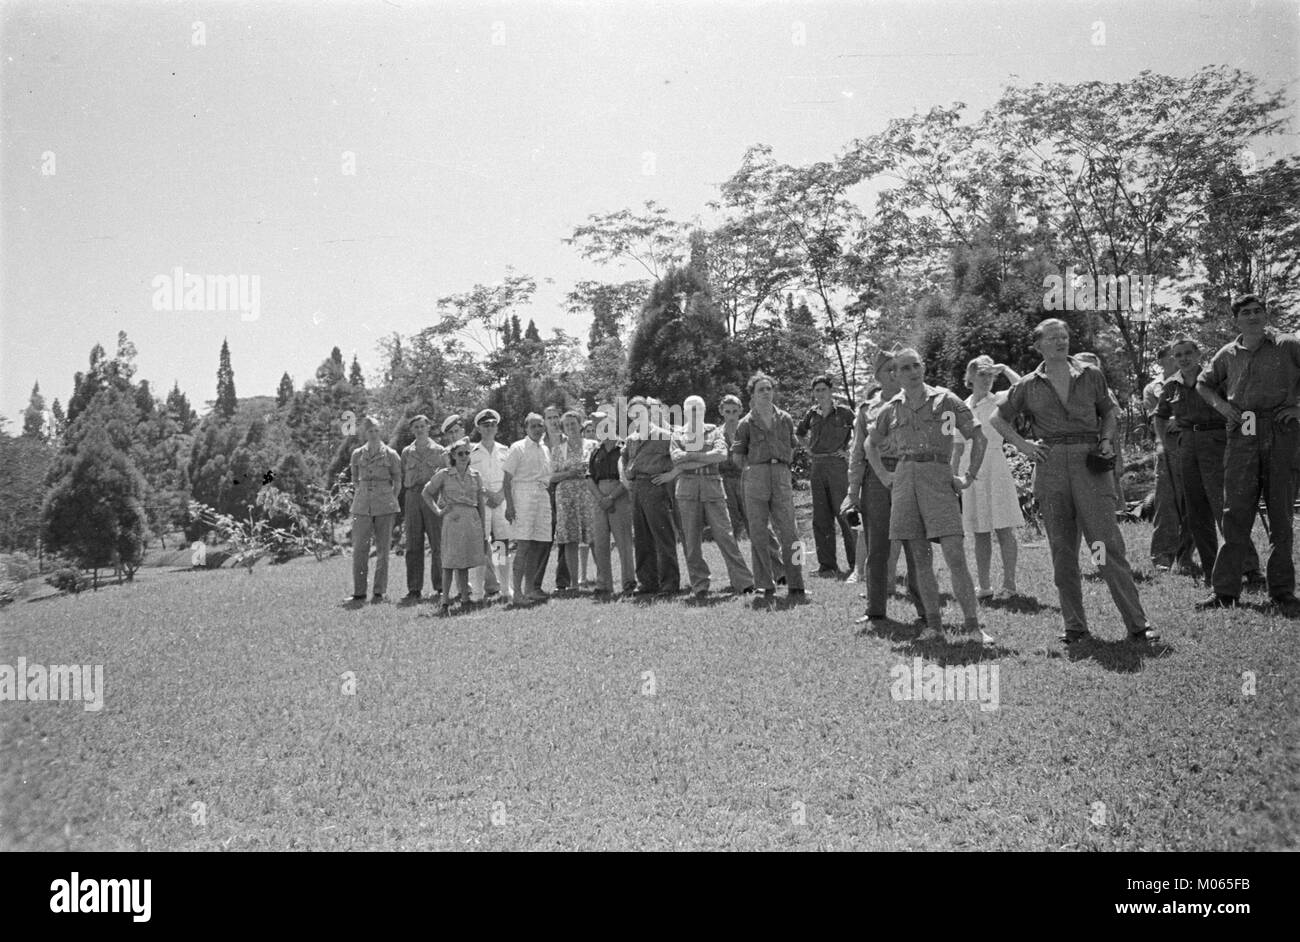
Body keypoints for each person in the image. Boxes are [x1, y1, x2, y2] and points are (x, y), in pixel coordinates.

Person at [989, 318, 1160, 643]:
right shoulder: (1027, 384)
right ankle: (1074, 627)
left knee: (1106, 545)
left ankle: (1138, 624)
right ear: (1038, 345)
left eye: (1064, 336)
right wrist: (1023, 446)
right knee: (1062, 550)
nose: (1061, 341)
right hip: (1051, 466)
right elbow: (998, 418)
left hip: (1089, 463)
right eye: (1053, 337)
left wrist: (1107, 439)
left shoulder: (1090, 374)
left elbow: (1109, 411)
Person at [865, 349, 989, 643]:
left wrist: (968, 476)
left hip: (938, 476)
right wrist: (884, 476)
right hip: (905, 481)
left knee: (955, 554)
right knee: (920, 557)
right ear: (895, 374)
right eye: (904, 368)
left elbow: (978, 436)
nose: (912, 372)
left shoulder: (946, 400)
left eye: (916, 365)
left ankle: (973, 626)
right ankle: (934, 626)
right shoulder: (891, 409)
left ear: (924, 367)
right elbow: (870, 444)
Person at [1194, 295, 1300, 615]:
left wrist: (1298, 407)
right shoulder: (1228, 353)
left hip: (1282, 429)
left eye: (1257, 311)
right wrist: (1224, 407)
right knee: (1235, 511)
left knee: (1280, 514)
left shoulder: (1288, 345)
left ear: (1266, 314)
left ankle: (1282, 591)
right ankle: (1225, 591)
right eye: (1245, 313)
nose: (1252, 317)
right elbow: (1204, 384)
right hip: (1244, 429)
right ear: (1236, 320)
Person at [1155, 337, 1262, 586]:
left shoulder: (1215, 379)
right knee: (1196, 512)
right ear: (1174, 358)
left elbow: (1240, 408)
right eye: (1178, 355)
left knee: (1225, 507)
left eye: (1188, 353)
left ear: (1198, 353)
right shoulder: (1170, 386)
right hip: (1188, 446)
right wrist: (1162, 443)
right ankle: (1211, 571)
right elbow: (1159, 416)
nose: (1184, 358)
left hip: (1218, 442)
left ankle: (1249, 568)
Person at [843, 347, 927, 627]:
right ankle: (875, 609)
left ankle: (926, 610)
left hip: (911, 474)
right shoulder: (867, 410)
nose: (895, 374)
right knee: (876, 547)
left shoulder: (916, 401)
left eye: (898, 368)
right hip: (876, 480)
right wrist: (852, 493)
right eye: (888, 370)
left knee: (916, 546)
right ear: (877, 377)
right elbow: (857, 452)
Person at [952, 356, 1023, 599]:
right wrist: (953, 477)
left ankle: (1009, 585)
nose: (987, 379)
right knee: (979, 529)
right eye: (982, 374)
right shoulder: (961, 405)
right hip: (970, 469)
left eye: (991, 374)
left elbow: (1024, 387)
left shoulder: (1001, 399)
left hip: (995, 464)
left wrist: (1005, 368)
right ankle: (984, 586)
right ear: (970, 377)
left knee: (1003, 526)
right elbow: (957, 444)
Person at [671, 395, 755, 598]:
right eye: (690, 409)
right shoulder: (678, 434)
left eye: (697, 409)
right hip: (688, 491)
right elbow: (677, 461)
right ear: (684, 411)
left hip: (712, 489)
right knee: (691, 542)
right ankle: (699, 585)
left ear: (703, 411)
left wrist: (691, 456)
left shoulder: (713, 431)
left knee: (725, 536)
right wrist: (704, 459)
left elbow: (721, 455)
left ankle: (743, 582)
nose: (694, 413)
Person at [732, 373, 807, 598]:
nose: (766, 392)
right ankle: (765, 584)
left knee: (791, 533)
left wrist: (781, 463)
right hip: (756, 476)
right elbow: (737, 456)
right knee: (758, 532)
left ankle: (797, 582)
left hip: (781, 475)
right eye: (760, 390)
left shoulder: (785, 418)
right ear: (753, 395)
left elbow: (793, 446)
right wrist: (754, 470)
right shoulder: (745, 423)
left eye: (768, 388)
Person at [796, 374, 857, 576]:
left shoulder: (845, 412)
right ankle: (827, 565)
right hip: (818, 465)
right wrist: (808, 449)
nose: (820, 393)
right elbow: (799, 433)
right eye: (817, 390)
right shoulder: (811, 414)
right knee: (821, 517)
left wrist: (848, 450)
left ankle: (856, 562)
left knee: (845, 513)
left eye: (823, 389)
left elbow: (859, 432)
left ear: (831, 391)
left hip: (838, 466)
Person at [719, 393, 784, 578]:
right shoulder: (716, 433)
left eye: (734, 411)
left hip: (748, 479)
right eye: (727, 411)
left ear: (740, 411)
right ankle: (741, 576)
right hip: (724, 482)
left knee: (760, 525)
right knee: (729, 530)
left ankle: (779, 571)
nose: (731, 415)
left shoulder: (748, 428)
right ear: (721, 412)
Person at [622, 396, 682, 596]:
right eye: (633, 414)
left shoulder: (665, 436)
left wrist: (670, 475)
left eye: (640, 411)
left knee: (662, 536)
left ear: (648, 412)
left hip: (656, 487)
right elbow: (624, 460)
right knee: (641, 538)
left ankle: (669, 583)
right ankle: (647, 582)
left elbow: (680, 458)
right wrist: (627, 479)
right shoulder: (631, 439)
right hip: (637, 488)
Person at [1143, 346, 1195, 571]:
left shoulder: (1194, 380)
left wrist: (1182, 419)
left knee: (1192, 504)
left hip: (1192, 446)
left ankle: (1186, 557)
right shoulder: (1153, 387)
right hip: (1166, 448)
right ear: (1162, 361)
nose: (1178, 360)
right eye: (1173, 356)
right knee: (1165, 503)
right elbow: (1157, 416)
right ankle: (1162, 558)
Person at [422, 438, 488, 612]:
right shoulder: (444, 474)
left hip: (471, 519)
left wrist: (482, 526)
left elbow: (480, 502)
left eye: (467, 453)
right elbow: (426, 493)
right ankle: (445, 600)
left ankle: (465, 597)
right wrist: (438, 511)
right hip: (453, 519)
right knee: (450, 561)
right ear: (452, 455)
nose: (464, 456)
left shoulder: (475, 475)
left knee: (465, 559)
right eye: (460, 453)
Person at [346, 415, 402, 602]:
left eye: (377, 430)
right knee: (360, 549)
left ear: (381, 431)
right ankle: (359, 592)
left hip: (385, 504)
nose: (374, 434)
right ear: (364, 433)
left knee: (383, 550)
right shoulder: (357, 454)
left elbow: (397, 480)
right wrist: (362, 492)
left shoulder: (391, 454)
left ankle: (379, 592)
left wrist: (391, 498)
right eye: (370, 431)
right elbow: (354, 479)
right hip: (362, 506)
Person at [502, 413, 553, 605]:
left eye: (540, 425)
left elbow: (547, 477)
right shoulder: (517, 448)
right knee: (523, 545)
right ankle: (516, 593)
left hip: (542, 495)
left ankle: (530, 589)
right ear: (526, 429)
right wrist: (510, 505)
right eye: (534, 426)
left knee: (538, 544)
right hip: (523, 496)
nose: (538, 429)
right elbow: (506, 480)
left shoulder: (545, 449)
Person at [586, 413, 636, 596]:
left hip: (619, 495)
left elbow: (628, 478)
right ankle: (604, 584)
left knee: (623, 541)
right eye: (595, 425)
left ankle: (629, 583)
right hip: (599, 497)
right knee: (600, 543)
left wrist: (611, 498)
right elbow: (589, 477)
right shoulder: (595, 451)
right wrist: (601, 498)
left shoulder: (623, 448)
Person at [400, 415, 447, 601]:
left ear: (429, 427)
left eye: (422, 426)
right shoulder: (406, 452)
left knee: (437, 542)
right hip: (412, 496)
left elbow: (444, 477)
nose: (419, 429)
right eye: (416, 427)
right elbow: (404, 473)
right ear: (412, 430)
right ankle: (414, 588)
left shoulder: (440, 451)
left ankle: (440, 585)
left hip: (433, 497)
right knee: (413, 543)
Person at [467, 408, 512, 602]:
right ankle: (478, 592)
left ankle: (504, 588)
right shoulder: (471, 451)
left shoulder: (505, 450)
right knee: (479, 547)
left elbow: (509, 476)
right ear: (479, 428)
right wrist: (487, 495)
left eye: (493, 425)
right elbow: (470, 478)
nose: (490, 428)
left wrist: (500, 495)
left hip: (500, 503)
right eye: (486, 425)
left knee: (501, 545)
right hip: (481, 503)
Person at [552, 410, 597, 592]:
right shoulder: (558, 450)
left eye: (573, 423)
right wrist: (569, 473)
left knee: (593, 536)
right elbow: (551, 477)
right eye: (567, 424)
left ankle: (602, 578)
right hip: (566, 497)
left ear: (580, 425)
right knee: (570, 539)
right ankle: (573, 583)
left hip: (588, 494)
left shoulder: (593, 445)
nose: (571, 427)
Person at [532, 405, 572, 593]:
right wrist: (566, 473)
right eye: (550, 418)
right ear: (544, 422)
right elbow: (543, 476)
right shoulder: (539, 444)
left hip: (566, 493)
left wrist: (563, 475)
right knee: (544, 538)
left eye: (557, 417)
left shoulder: (570, 441)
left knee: (565, 537)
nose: (554, 421)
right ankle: (535, 583)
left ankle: (562, 582)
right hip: (545, 494)